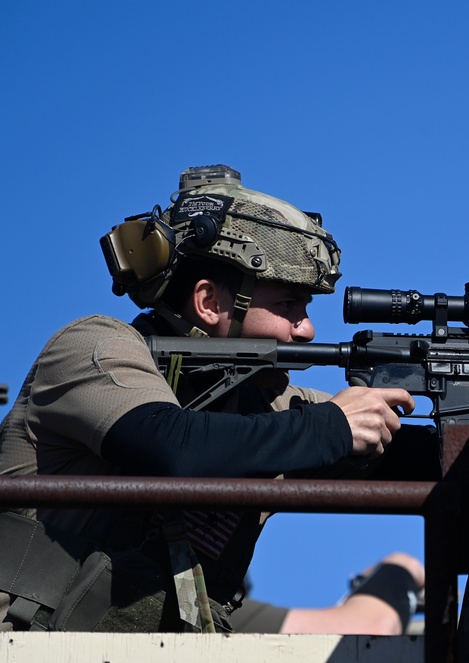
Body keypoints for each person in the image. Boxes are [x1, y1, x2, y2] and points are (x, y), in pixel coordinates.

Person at [0, 164, 425, 635]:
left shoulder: (262, 404)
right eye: (287, 306)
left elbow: (413, 458)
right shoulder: (94, 347)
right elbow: (174, 447)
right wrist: (332, 426)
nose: (307, 330)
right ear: (209, 302)